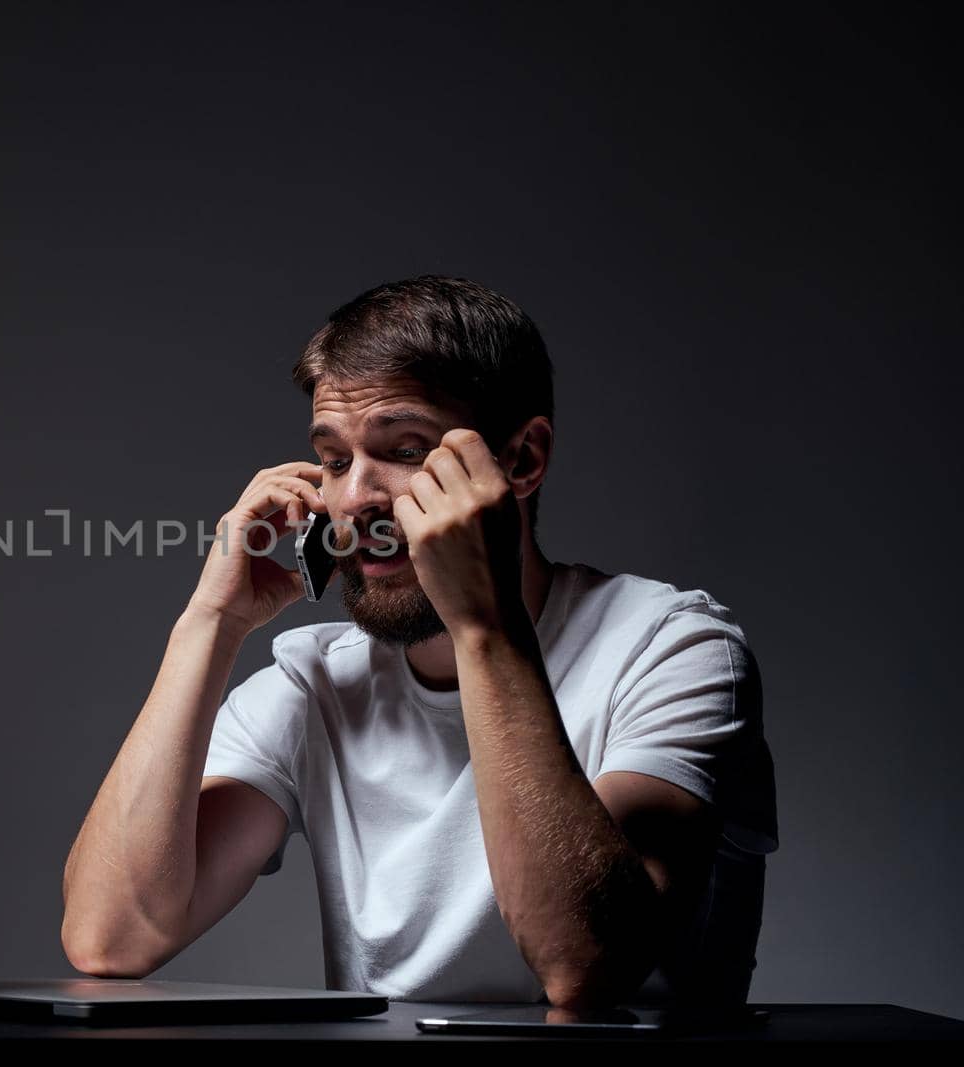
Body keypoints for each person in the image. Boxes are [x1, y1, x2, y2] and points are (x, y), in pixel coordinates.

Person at [59, 275, 778, 1009]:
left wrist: (483, 625)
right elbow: (112, 936)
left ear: (522, 460)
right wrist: (209, 623)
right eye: (334, 459)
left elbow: (585, 964)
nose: (352, 498)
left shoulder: (672, 647)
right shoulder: (314, 683)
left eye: (404, 449)